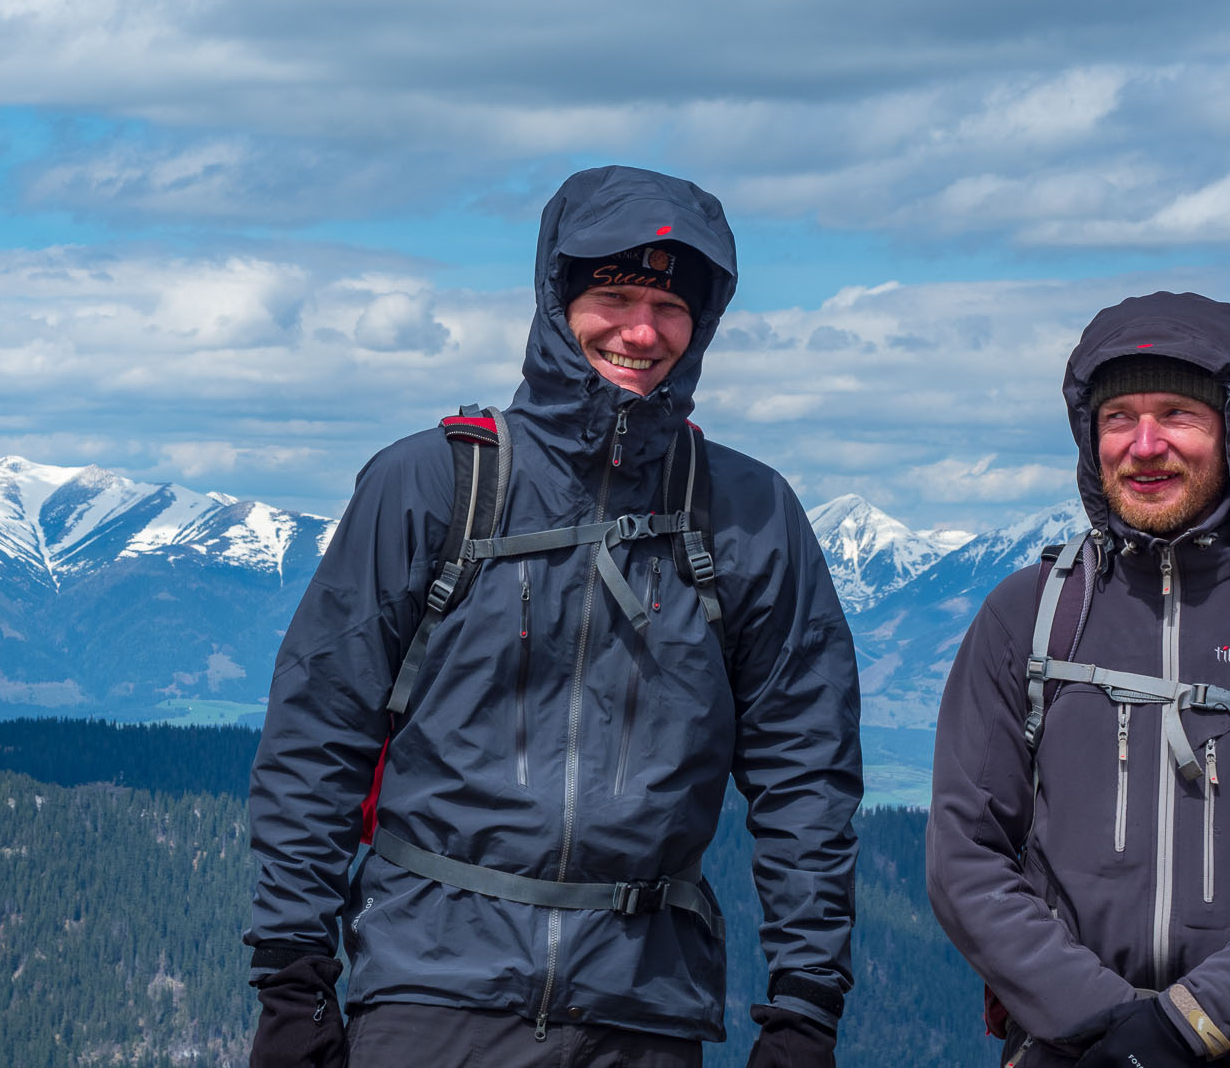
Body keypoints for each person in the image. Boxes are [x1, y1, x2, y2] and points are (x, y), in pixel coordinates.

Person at [244, 165, 862, 1067]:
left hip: (645, 1010)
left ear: (703, 324)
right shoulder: (434, 484)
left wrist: (805, 1008)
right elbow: (317, 735)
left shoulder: (748, 513)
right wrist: (293, 978)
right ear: (554, 298)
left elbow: (807, 775)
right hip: (430, 995)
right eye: (613, 294)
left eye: (670, 307)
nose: (641, 330)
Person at [928, 291, 1230, 1068]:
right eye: (1117, 418)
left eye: (1177, 413)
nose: (1144, 444)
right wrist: (1102, 1022)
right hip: (1071, 1050)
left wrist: (1195, 1021)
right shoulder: (1029, 613)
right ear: (1088, 437)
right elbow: (964, 850)